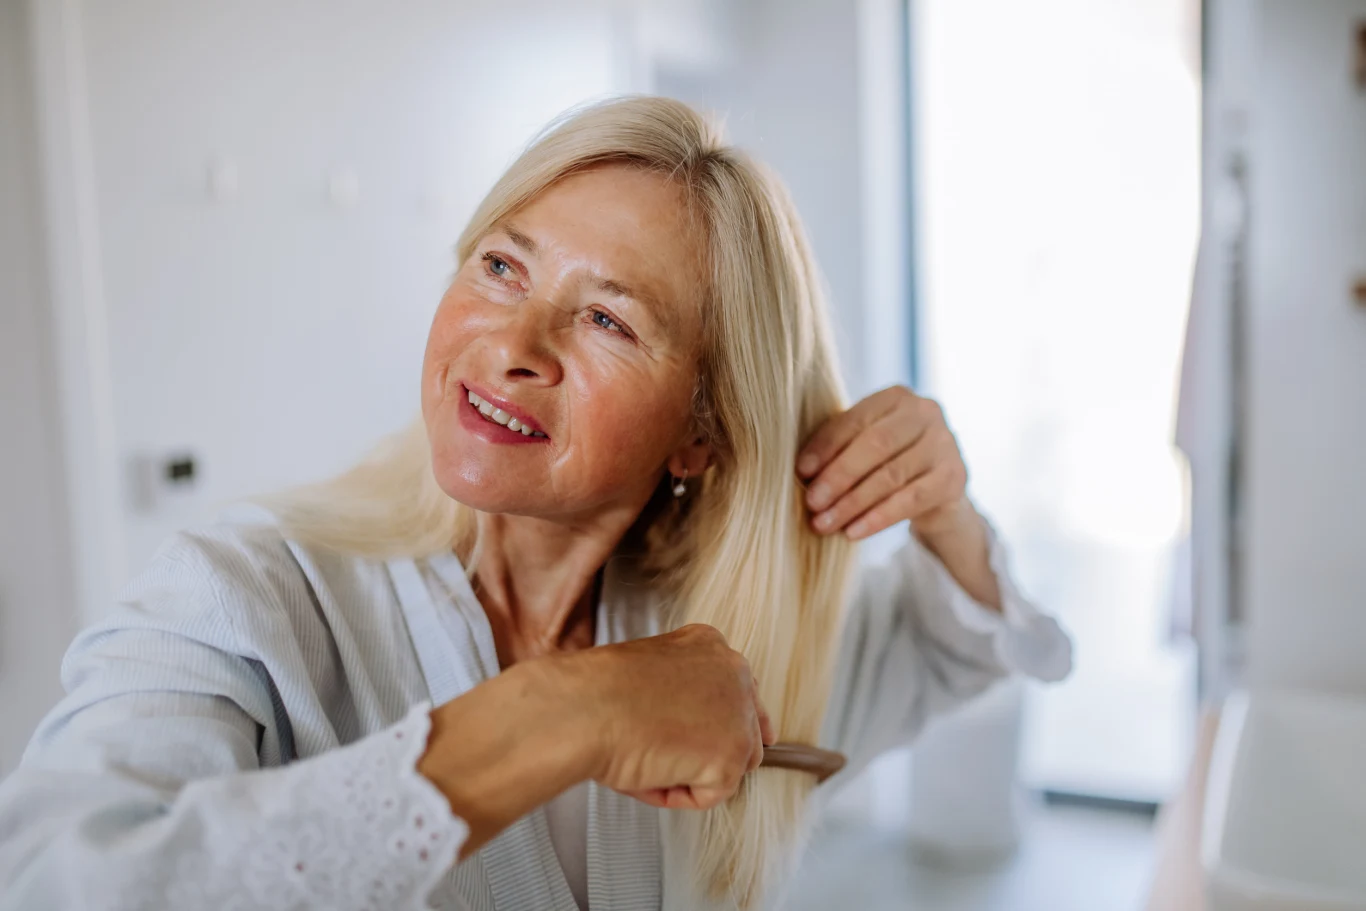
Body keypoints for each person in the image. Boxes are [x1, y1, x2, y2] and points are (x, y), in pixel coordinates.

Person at [0, 96, 1071, 911]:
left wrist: (944, 506)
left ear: (702, 430)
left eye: (607, 320)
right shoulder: (237, 597)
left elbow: (960, 647)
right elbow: (58, 879)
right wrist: (565, 712)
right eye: (502, 266)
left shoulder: (727, 642)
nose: (511, 344)